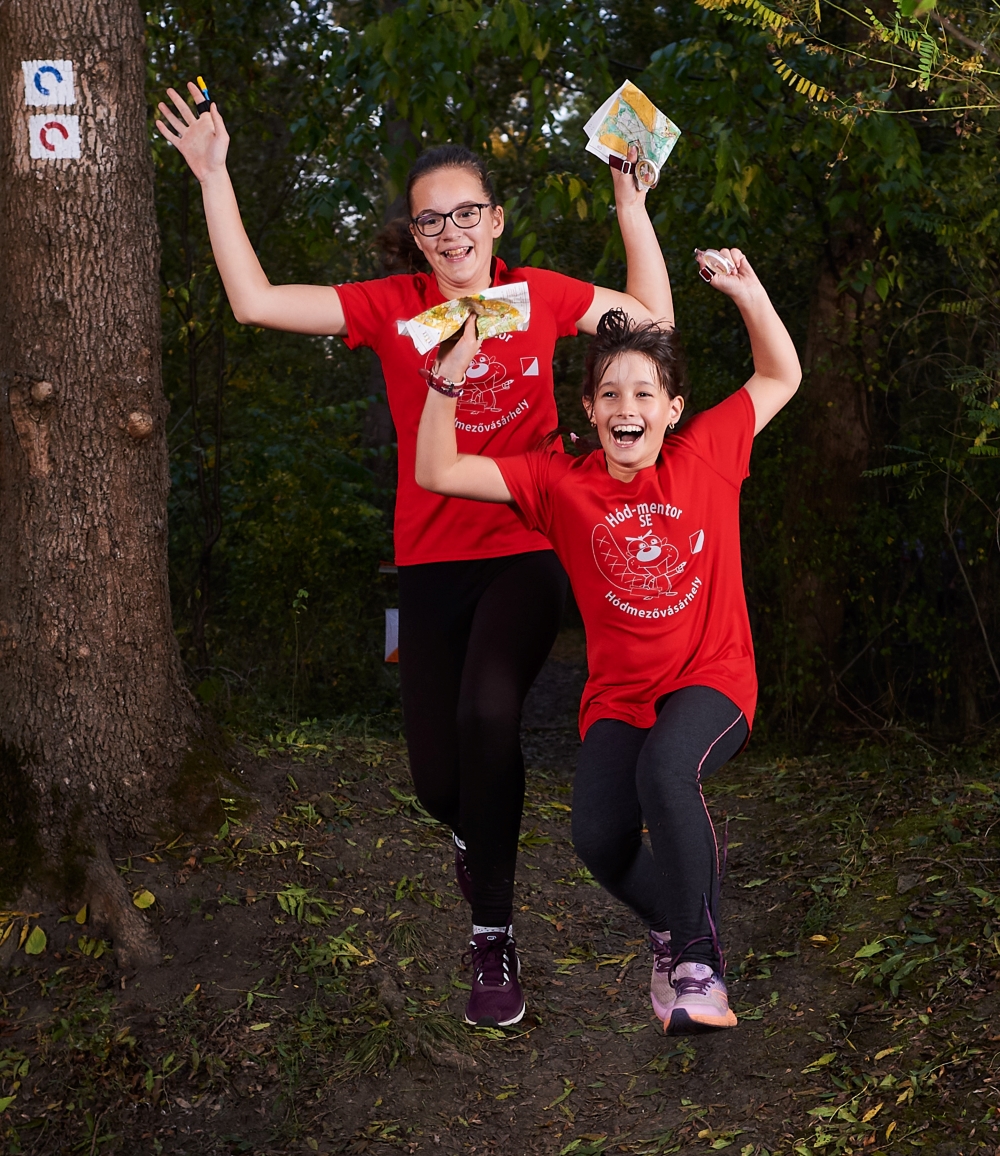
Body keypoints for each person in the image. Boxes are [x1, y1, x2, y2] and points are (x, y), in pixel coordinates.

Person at [155, 82, 674, 1028]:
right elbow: (254, 302)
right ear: (418, 234)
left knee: (489, 714)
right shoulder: (393, 308)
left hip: (523, 547)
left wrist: (631, 208)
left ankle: (493, 939)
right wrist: (213, 175)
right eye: (431, 219)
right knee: (440, 781)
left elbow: (652, 323)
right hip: (429, 564)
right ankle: (479, 839)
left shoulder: (535, 297)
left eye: (466, 213)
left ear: (494, 220)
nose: (451, 231)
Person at [414, 249, 801, 1032]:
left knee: (668, 769)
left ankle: (698, 965)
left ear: (673, 408)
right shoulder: (563, 482)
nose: (630, 406)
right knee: (596, 836)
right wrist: (450, 374)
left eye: (645, 393)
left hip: (713, 678)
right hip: (619, 698)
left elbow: (779, 377)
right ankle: (678, 915)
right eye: (611, 393)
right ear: (590, 410)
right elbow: (436, 468)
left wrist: (750, 293)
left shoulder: (708, 455)